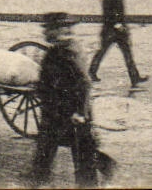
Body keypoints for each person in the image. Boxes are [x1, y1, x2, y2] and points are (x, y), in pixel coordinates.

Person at [29, 12, 104, 188]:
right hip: (54, 113)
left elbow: (85, 83)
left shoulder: (71, 51)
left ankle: (104, 171)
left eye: (49, 29)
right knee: (46, 152)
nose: (46, 33)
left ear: (60, 30)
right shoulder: (55, 51)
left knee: (83, 158)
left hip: (72, 113)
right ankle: (36, 182)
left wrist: (80, 113)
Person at [90, 0, 147, 87]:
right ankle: (91, 72)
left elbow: (119, 16)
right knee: (101, 53)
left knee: (128, 55)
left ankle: (135, 77)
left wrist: (123, 28)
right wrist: (118, 25)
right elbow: (108, 16)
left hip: (120, 33)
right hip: (109, 32)